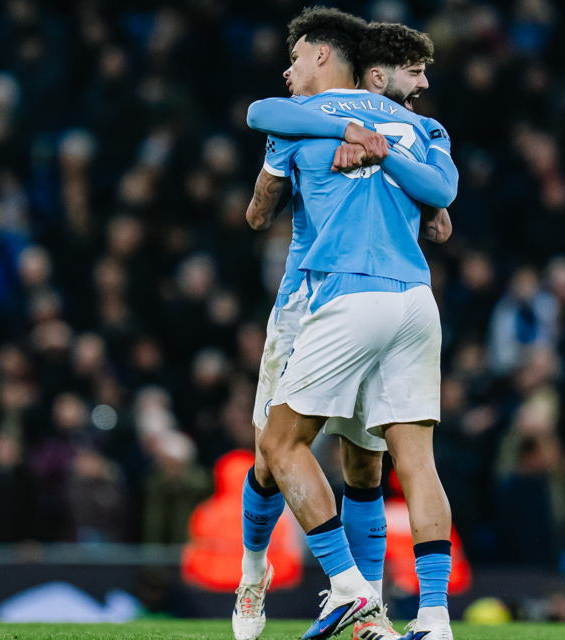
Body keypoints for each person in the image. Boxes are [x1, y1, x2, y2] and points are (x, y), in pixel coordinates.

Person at [244, 9, 458, 640]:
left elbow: (260, 117)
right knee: (414, 462)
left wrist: (370, 140)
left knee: (280, 447)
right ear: (377, 73)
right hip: (417, 302)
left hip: (344, 298)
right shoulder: (427, 128)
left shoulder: (314, 117)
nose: (421, 83)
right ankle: (436, 618)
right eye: (413, 71)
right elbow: (442, 200)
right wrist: (390, 147)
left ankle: (349, 590)